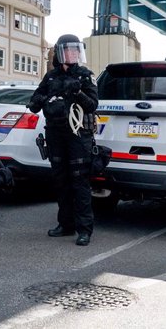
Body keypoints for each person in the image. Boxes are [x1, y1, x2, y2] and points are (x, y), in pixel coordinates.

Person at [27, 34, 98, 246]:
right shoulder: (50, 77)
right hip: (55, 134)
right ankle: (65, 224)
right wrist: (41, 100)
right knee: (61, 180)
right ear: (60, 52)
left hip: (77, 135)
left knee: (79, 181)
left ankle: (84, 229)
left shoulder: (85, 76)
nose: (74, 53)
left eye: (77, 50)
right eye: (70, 50)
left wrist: (77, 93)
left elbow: (92, 105)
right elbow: (34, 102)